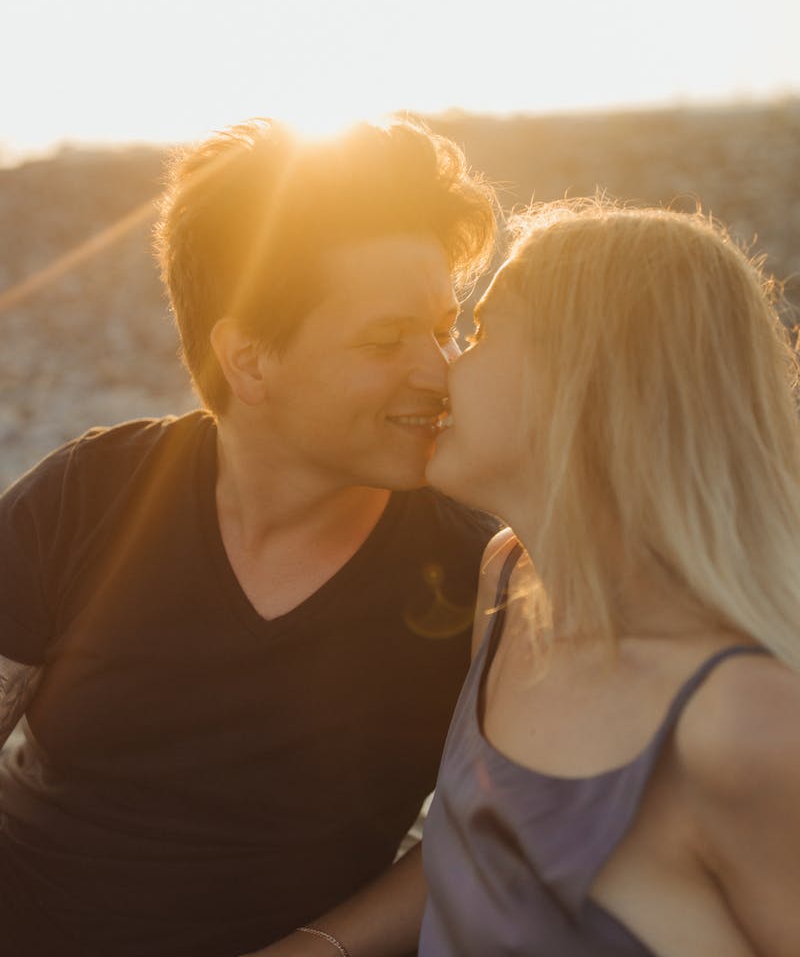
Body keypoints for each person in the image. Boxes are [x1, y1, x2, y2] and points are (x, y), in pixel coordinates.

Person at [0, 116, 499, 957]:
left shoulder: (472, 567)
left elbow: (494, 831)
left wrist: (312, 951)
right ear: (250, 359)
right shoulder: (87, 496)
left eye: (446, 328)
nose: (439, 369)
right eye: (387, 340)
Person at [421, 198, 800, 956]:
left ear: (586, 380)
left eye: (485, 330)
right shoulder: (509, 586)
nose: (444, 369)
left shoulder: (746, 720)